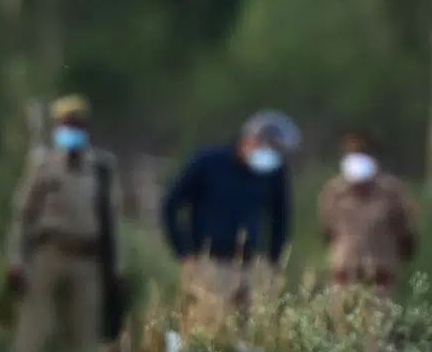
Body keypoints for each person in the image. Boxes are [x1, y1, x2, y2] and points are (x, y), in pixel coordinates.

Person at [6, 94, 124, 352]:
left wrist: (117, 266)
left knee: (84, 337)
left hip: (87, 258)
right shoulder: (42, 165)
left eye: (77, 124)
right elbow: (24, 215)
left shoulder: (100, 168)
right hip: (49, 253)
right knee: (34, 331)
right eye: (66, 124)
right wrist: (16, 259)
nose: (72, 130)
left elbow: (111, 219)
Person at [160, 110, 300, 309]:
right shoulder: (207, 163)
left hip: (251, 266)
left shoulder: (273, 174)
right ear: (249, 139)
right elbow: (171, 205)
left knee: (250, 331)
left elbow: (281, 217)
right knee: (210, 328)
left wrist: (274, 260)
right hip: (209, 263)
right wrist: (184, 253)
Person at [317, 132, 417, 296]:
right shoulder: (333, 192)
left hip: (380, 278)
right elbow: (326, 231)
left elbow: (406, 235)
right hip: (343, 276)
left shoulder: (393, 193)